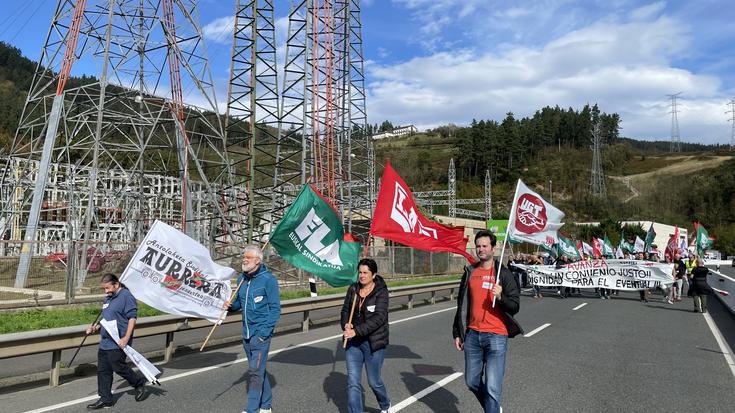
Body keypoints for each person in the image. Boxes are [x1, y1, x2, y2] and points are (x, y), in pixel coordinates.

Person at [452, 230, 523, 413]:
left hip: (496, 336)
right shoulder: (470, 272)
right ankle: (493, 408)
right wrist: (457, 333)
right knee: (471, 381)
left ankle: (491, 408)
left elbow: (515, 306)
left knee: (493, 387)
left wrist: (500, 297)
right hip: (473, 335)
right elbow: (462, 305)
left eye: (485, 246)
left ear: (493, 248)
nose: (481, 249)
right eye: (478, 246)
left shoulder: (504, 274)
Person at [225, 245, 281, 413]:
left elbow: (275, 309)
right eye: (244, 257)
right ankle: (266, 405)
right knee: (258, 370)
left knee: (255, 371)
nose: (244, 259)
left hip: (260, 335)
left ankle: (251, 409)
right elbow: (239, 304)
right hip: (246, 334)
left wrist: (264, 334)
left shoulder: (268, 280)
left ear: (257, 260)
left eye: (248, 257)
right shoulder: (241, 279)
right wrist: (230, 306)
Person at [85, 273, 147, 410]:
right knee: (103, 371)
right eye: (104, 289)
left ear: (116, 284)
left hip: (119, 341)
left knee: (118, 366)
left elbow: (132, 318)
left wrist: (126, 338)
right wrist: (95, 327)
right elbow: (107, 320)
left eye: (108, 288)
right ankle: (106, 399)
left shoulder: (126, 296)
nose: (106, 291)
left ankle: (138, 383)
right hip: (105, 341)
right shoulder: (108, 299)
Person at [341, 258, 391, 413]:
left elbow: (379, 318)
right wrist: (345, 324)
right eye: (360, 272)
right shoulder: (353, 289)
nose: (362, 276)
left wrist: (356, 330)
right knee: (353, 382)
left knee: (373, 381)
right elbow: (345, 311)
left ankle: (385, 404)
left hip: (373, 342)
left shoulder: (381, 292)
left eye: (365, 273)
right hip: (353, 343)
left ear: (373, 274)